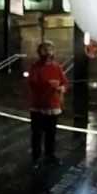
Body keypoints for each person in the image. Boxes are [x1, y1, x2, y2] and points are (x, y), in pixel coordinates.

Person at [27, 40, 68, 169]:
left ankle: (50, 154)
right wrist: (47, 84)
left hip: (53, 105)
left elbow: (64, 82)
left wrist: (62, 88)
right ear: (40, 52)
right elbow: (32, 84)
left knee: (51, 133)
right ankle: (36, 157)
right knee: (37, 133)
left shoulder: (57, 66)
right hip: (38, 105)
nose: (48, 52)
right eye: (45, 50)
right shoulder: (34, 67)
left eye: (50, 49)